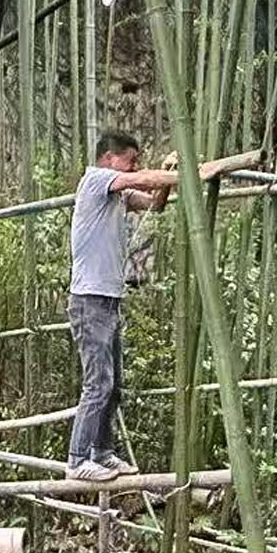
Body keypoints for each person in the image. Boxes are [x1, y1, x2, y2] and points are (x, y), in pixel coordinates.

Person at [66, 131, 179, 482]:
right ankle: (77, 460)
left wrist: (169, 174)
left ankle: (102, 452)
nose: (135, 166)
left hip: (109, 300)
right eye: (131, 159)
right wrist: (186, 173)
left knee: (113, 385)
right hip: (89, 300)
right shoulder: (95, 180)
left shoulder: (117, 196)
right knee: (97, 383)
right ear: (111, 159)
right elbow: (141, 179)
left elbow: (155, 203)